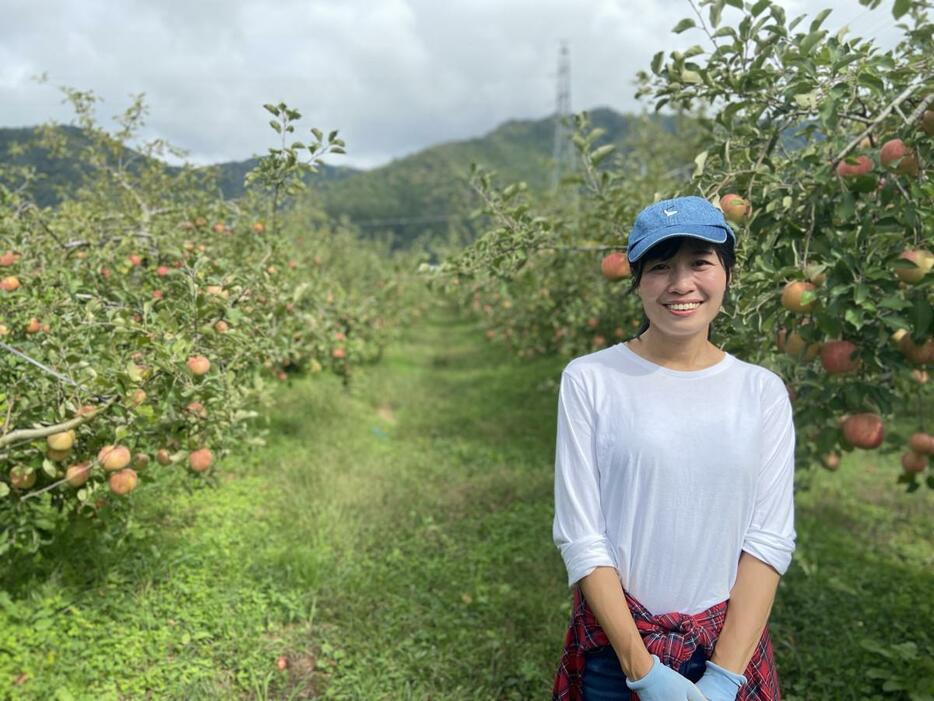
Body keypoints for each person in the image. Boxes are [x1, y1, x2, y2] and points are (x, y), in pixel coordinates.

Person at [551, 195, 796, 701]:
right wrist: (642, 671)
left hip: (728, 649)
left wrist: (724, 678)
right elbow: (582, 537)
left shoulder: (761, 391)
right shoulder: (592, 379)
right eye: (661, 267)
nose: (681, 284)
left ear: (727, 274)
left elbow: (768, 540)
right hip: (618, 656)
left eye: (700, 262)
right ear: (637, 282)